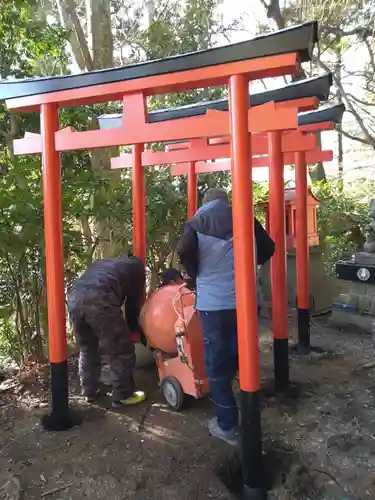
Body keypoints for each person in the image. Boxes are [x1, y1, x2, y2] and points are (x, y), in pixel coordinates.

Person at [176, 188, 275, 446]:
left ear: (205, 202)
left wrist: (197, 273)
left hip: (214, 305)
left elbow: (184, 251)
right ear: (226, 201)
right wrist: (252, 262)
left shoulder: (196, 222)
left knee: (216, 366)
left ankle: (227, 424)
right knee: (243, 353)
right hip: (247, 301)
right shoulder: (244, 216)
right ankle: (249, 408)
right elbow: (269, 247)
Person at [67, 255, 146, 408]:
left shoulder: (106, 264)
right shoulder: (137, 270)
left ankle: (90, 391)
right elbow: (132, 306)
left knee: (88, 348)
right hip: (100, 300)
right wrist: (134, 332)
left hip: (74, 299)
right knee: (121, 349)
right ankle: (123, 394)